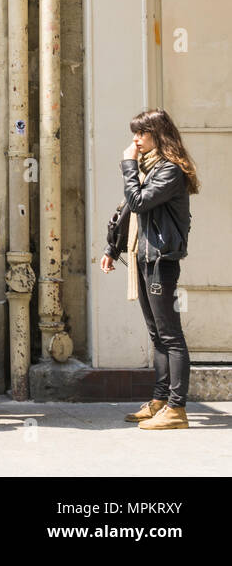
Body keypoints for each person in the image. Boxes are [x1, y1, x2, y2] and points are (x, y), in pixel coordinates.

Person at [100, 109, 198, 431]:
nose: (135, 140)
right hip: (144, 258)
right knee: (157, 334)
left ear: (158, 135)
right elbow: (129, 209)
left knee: (170, 335)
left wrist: (127, 166)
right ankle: (159, 401)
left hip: (161, 262)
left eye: (141, 133)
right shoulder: (149, 169)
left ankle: (177, 408)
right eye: (135, 134)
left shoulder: (169, 171)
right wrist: (111, 249)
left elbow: (139, 201)